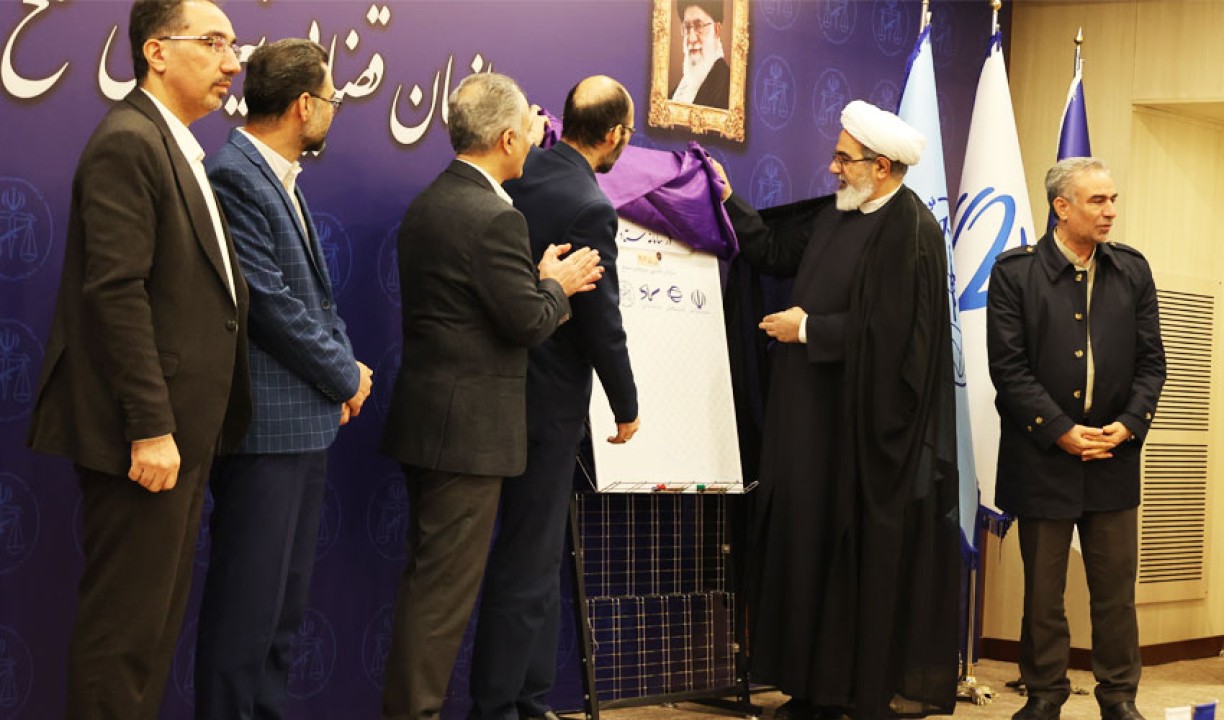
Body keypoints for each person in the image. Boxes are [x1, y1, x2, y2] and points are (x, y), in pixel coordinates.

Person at [23, 1, 249, 717]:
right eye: (213, 43)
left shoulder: (173, 145)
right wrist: (151, 427)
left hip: (184, 434)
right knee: (122, 639)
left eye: (233, 46)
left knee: (149, 636)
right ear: (157, 52)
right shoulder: (128, 142)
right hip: (144, 440)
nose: (232, 63)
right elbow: (115, 294)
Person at [715, 100, 960, 720]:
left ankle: (845, 695)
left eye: (844, 159)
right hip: (807, 427)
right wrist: (725, 197)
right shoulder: (838, 213)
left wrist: (809, 330)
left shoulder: (912, 231)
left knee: (847, 562)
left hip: (861, 439)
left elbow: (897, 338)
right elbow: (773, 251)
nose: (832, 168)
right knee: (803, 549)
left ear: (881, 167)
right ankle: (807, 688)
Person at [378, 71, 604, 720]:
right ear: (506, 139)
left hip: (430, 425)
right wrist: (557, 284)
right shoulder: (496, 217)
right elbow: (528, 323)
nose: (535, 139)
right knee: (441, 600)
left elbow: (475, 305)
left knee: (429, 588)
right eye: (529, 129)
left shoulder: (432, 201)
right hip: (468, 438)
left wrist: (535, 282)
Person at [191, 39, 373, 719]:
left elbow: (315, 300)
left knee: (281, 619)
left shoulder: (281, 176)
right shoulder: (235, 175)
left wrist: (345, 372)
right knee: (246, 617)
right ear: (303, 105)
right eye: (330, 98)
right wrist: (344, 376)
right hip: (264, 433)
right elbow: (268, 304)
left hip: (302, 428)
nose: (333, 110)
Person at [467, 75, 640, 720]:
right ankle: (501, 706)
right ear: (615, 135)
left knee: (527, 562)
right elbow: (601, 321)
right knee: (529, 564)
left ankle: (529, 699)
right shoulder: (589, 205)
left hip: (491, 391)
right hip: (545, 407)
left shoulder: (519, 171)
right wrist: (626, 405)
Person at [987, 158, 1165, 720]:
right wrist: (1060, 431)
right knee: (1043, 594)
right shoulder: (1015, 272)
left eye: (1113, 199)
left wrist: (1130, 424)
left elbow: (1152, 364)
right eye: (1097, 201)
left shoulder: (1132, 270)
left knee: (1115, 593)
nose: (1110, 211)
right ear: (1061, 207)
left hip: (1113, 455)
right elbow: (1009, 369)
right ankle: (1044, 695)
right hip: (1041, 457)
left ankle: (1120, 697)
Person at [670, 0, 730, 107]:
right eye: (687, 27)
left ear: (716, 30)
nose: (692, 38)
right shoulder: (679, 90)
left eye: (699, 26)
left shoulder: (728, 86)